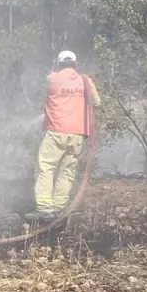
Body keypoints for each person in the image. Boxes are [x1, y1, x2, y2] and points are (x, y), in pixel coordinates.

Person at [30, 50, 101, 221]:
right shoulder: (86, 81)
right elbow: (97, 103)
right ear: (75, 64)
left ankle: (46, 209)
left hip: (56, 131)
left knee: (46, 167)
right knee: (67, 170)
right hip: (78, 133)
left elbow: (39, 97)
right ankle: (59, 206)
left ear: (59, 64)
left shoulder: (52, 79)